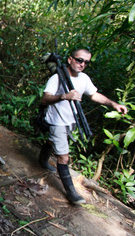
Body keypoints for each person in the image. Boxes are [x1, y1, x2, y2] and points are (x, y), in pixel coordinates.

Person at [39, 49, 128, 204]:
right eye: (80, 60)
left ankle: (42, 159)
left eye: (86, 62)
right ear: (70, 59)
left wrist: (114, 104)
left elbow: (94, 95)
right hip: (57, 121)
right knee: (63, 156)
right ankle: (71, 193)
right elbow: (45, 99)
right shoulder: (57, 78)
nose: (82, 64)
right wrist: (64, 96)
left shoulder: (84, 78)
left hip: (70, 120)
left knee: (53, 141)